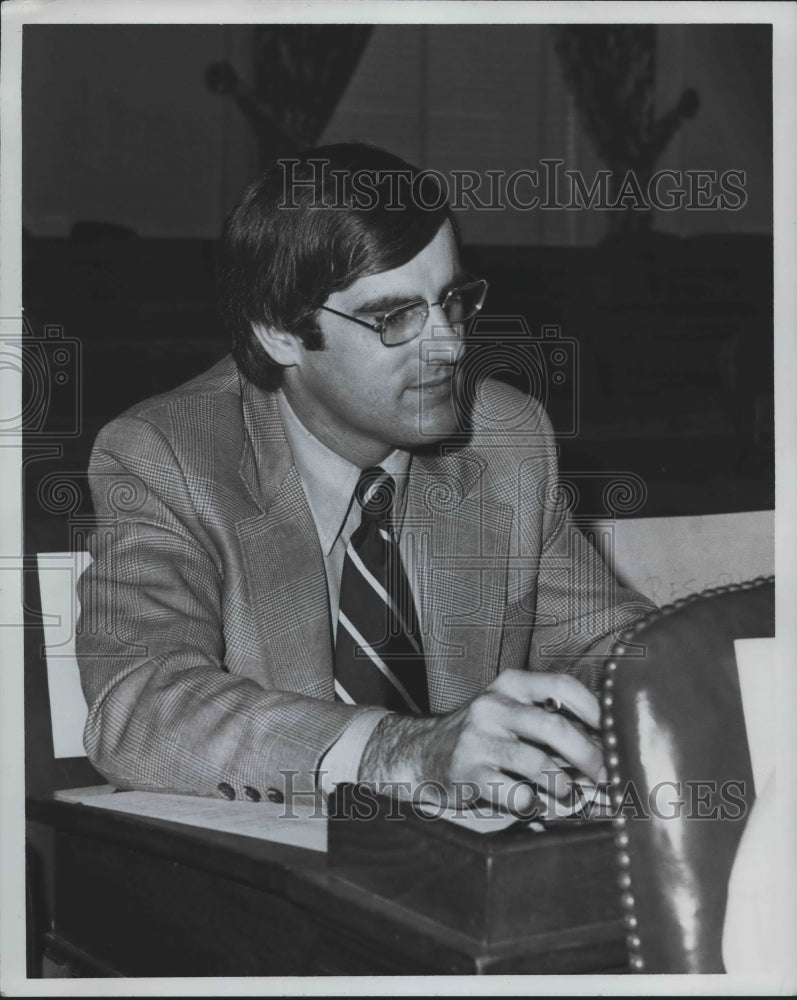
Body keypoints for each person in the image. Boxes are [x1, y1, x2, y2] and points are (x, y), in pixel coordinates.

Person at [76, 143, 654, 815]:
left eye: (452, 301)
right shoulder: (168, 454)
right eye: (394, 317)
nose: (448, 345)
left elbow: (606, 642)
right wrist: (398, 753)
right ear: (278, 334)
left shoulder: (503, 436)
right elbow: (139, 704)